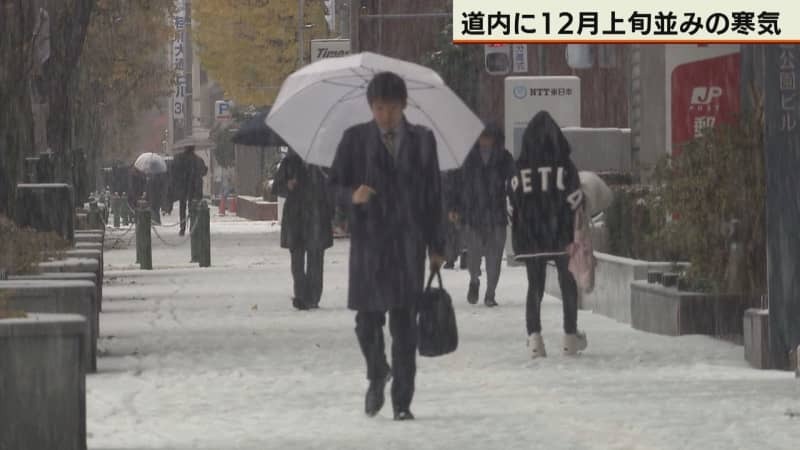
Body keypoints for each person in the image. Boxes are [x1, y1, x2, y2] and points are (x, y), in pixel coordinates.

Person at [329, 71, 445, 421]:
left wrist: (437, 245)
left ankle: (402, 401)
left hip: (408, 244)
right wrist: (351, 195)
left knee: (404, 327)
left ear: (404, 106)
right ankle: (377, 371)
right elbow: (331, 186)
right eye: (379, 108)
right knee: (366, 323)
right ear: (371, 107)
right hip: (370, 245)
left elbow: (434, 196)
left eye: (392, 108)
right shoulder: (354, 140)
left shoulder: (423, 141)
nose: (386, 116)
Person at [509, 111, 587, 358]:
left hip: (532, 238)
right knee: (568, 285)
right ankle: (570, 338)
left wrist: (525, 225)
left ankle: (535, 339)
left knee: (535, 287)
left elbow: (511, 206)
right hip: (560, 236)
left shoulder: (519, 168)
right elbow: (576, 200)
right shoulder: (565, 166)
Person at [453, 124, 515, 307]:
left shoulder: (504, 158)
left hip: (496, 214)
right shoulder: (468, 158)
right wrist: (455, 207)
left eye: (489, 137)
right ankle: (474, 280)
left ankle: (490, 294)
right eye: (482, 137)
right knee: (473, 256)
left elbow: (513, 181)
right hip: (473, 215)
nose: (485, 141)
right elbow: (457, 184)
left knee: (494, 258)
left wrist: (516, 202)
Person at [272, 149, 334, 310]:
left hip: (317, 216)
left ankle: (312, 298)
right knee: (297, 262)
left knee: (315, 261)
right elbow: (276, 188)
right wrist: (287, 185)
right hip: (296, 218)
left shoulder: (322, 164)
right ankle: (301, 295)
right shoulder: (289, 163)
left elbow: (334, 188)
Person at [171, 145, 208, 236]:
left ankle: (182, 228)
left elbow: (174, 171)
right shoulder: (198, 159)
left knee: (182, 208)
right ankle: (193, 226)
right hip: (195, 188)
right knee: (193, 208)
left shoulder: (179, 158)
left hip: (183, 186)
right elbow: (203, 171)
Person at [442, 169, 468, 270]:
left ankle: (451, 259)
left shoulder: (449, 172)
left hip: (454, 204)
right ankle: (462, 257)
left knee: (452, 231)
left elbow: (449, 190)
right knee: (461, 231)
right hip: (461, 204)